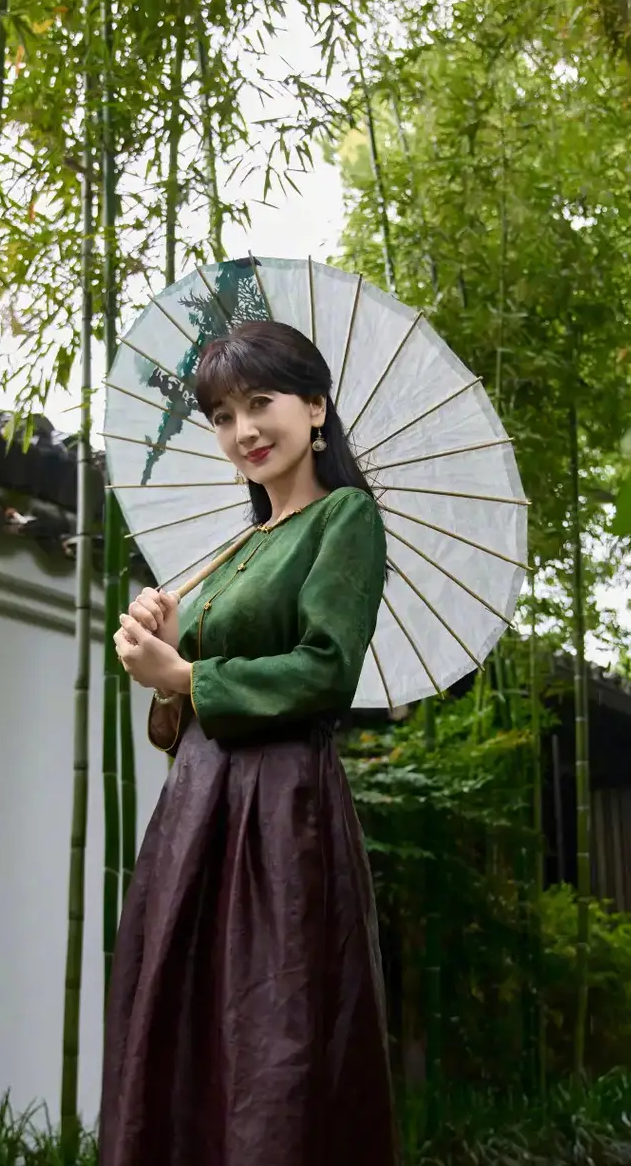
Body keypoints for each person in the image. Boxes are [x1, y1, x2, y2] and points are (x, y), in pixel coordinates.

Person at [103, 320, 398, 1165]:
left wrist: (189, 676)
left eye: (261, 403)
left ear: (315, 408)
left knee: (274, 1026)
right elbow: (182, 716)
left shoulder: (344, 518)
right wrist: (158, 652)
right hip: (196, 809)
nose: (244, 431)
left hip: (279, 811)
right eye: (224, 415)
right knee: (186, 1021)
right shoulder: (234, 546)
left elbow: (324, 669)